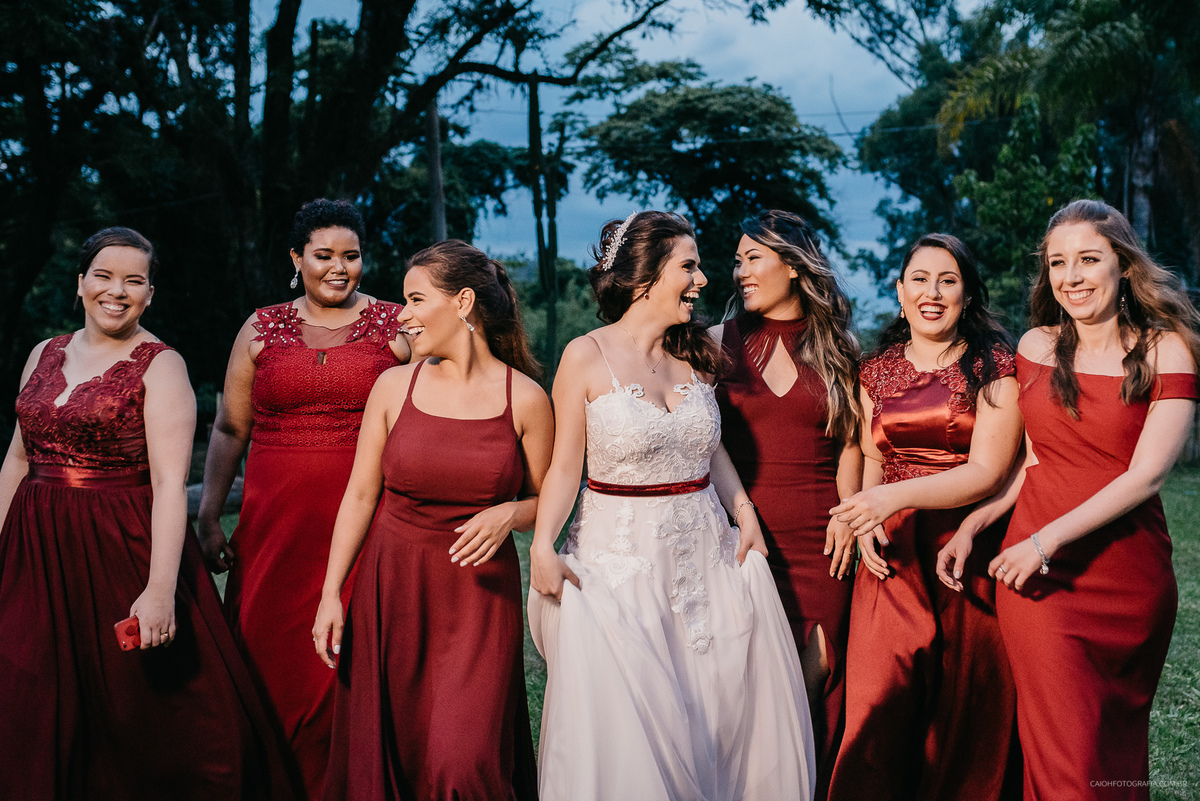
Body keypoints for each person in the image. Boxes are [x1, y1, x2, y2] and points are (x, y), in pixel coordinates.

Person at [529, 211, 816, 801]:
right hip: (621, 566)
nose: (703, 280)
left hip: (706, 559)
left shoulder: (697, 354)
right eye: (689, 267)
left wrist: (745, 513)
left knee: (715, 711)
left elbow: (708, 448)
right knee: (638, 722)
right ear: (645, 278)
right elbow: (563, 468)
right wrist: (540, 546)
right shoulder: (584, 356)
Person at [0, 227, 296, 799]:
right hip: (34, 549)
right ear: (80, 283)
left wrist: (160, 589)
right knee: (28, 689)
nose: (117, 291)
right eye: (104, 276)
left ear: (149, 294)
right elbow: (16, 459)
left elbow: (167, 486)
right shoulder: (44, 352)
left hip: (119, 545)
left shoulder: (161, 366)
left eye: (133, 281)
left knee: (142, 706)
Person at [941, 199, 1199, 800]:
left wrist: (1044, 540)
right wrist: (975, 525)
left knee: (1111, 759)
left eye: (1088, 259)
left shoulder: (1167, 350)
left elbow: (1146, 477)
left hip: (1129, 582)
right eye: (1058, 263)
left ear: (1123, 265)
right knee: (1069, 766)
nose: (1071, 276)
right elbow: (1031, 461)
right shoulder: (1035, 347)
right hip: (1040, 587)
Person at [312, 240, 552, 800]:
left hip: (479, 601)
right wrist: (330, 594)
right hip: (394, 590)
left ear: (463, 302)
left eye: (416, 300)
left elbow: (549, 502)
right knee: (398, 752)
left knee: (463, 763)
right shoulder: (394, 386)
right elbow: (361, 494)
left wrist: (510, 512)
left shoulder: (527, 399)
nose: (402, 315)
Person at [196, 199, 410, 800]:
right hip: (272, 530)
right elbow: (230, 428)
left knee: (350, 659)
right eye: (324, 255)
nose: (339, 267)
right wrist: (209, 514)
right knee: (269, 657)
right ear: (297, 259)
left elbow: (432, 414)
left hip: (365, 526)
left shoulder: (397, 326)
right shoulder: (260, 328)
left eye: (351, 255)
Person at [826, 234, 1023, 801]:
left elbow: (988, 472)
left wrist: (887, 501)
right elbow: (871, 457)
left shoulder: (994, 367)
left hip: (967, 547)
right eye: (919, 279)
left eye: (948, 281)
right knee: (878, 702)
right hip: (891, 554)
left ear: (967, 295)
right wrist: (868, 518)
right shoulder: (873, 370)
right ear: (899, 290)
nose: (932, 293)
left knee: (963, 712)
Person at [710, 210, 861, 797]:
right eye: (738, 260)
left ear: (794, 267)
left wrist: (849, 513)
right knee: (745, 688)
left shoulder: (840, 348)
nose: (740, 271)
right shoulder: (715, 343)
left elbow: (852, 444)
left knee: (809, 685)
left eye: (754, 258)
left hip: (820, 541)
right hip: (737, 538)